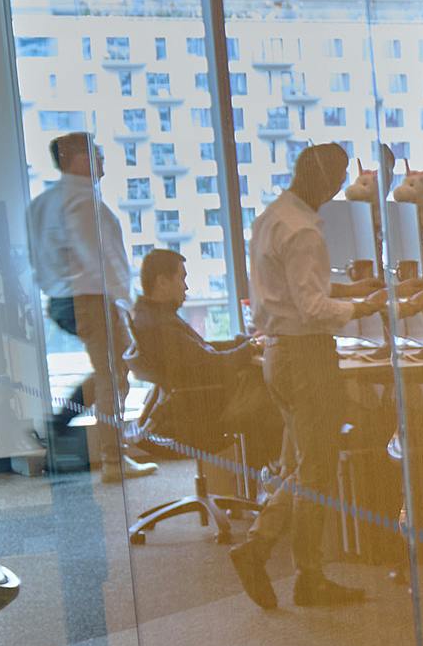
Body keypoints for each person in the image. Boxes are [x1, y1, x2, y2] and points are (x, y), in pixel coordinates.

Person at [230, 141, 388, 611]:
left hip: (279, 353)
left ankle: (265, 551)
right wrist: (366, 305)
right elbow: (314, 308)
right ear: (324, 181)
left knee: (299, 464)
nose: (340, 188)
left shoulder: (273, 216)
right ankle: (301, 572)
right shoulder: (304, 232)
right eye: (338, 179)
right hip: (306, 356)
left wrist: (352, 287)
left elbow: (291, 288)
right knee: (316, 471)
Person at [25, 130, 134, 464]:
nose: (103, 158)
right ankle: (113, 458)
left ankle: (56, 425)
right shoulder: (84, 201)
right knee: (113, 376)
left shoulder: (43, 202)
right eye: (97, 152)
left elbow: (35, 256)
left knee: (110, 370)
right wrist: (125, 302)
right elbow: (100, 258)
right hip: (90, 297)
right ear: (78, 159)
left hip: (61, 299)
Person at [125, 249, 270, 465]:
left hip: (186, 407)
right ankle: (275, 478)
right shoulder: (161, 326)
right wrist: (251, 348)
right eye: (182, 278)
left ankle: (267, 481)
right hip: (199, 413)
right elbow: (211, 366)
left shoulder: (150, 317)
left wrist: (245, 342)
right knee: (276, 396)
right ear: (163, 282)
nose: (186, 287)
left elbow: (200, 352)